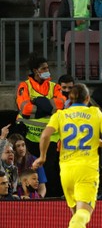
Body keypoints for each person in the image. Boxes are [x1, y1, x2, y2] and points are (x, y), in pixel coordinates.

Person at [34, 83, 102, 228]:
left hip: (66, 171)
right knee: (84, 214)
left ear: (69, 100)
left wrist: (43, 157)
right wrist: (99, 142)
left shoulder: (60, 115)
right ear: (87, 99)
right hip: (86, 170)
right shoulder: (95, 113)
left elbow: (45, 135)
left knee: (76, 215)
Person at [15, 53, 65, 197]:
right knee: (29, 171)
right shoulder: (24, 86)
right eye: (44, 68)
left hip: (51, 138)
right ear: (36, 71)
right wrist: (47, 107)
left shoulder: (55, 87)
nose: (47, 70)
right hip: (30, 138)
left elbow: (60, 105)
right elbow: (24, 108)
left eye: (47, 68)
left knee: (50, 171)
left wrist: (36, 102)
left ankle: (50, 197)